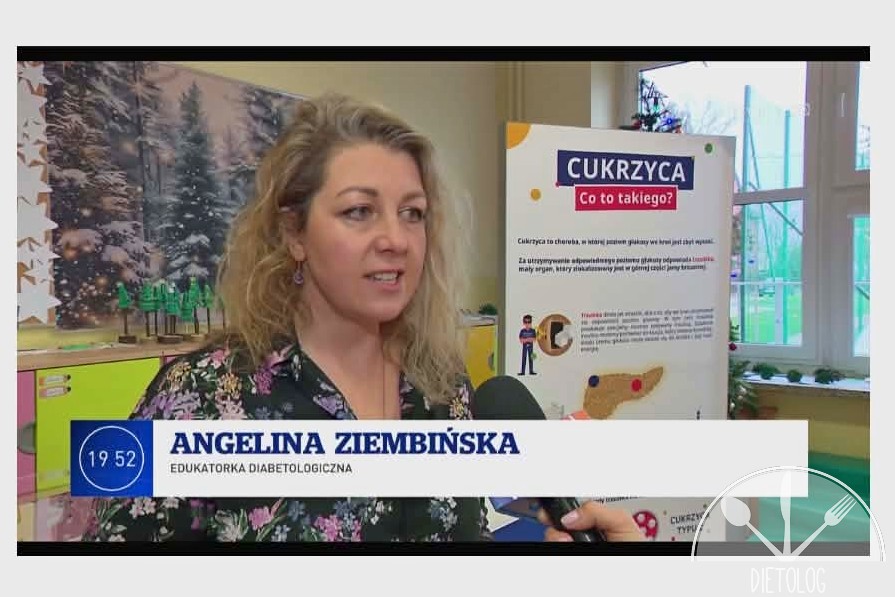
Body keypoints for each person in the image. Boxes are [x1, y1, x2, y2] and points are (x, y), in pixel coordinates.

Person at [82, 92, 640, 543]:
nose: (396, 239)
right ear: (293, 233)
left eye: (412, 213)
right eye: (359, 211)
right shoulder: (198, 399)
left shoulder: (442, 386)